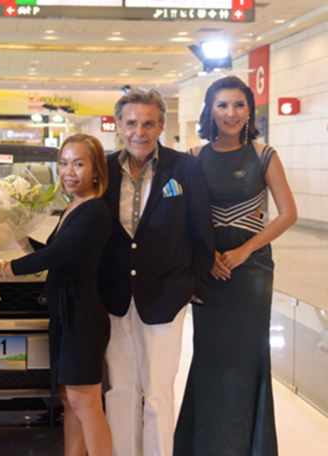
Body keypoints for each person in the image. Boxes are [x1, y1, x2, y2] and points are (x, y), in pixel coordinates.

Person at [174, 76, 297, 456]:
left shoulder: (264, 155)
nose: (231, 113)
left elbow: (288, 213)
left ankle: (248, 446)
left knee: (247, 357)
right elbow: (179, 212)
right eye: (223, 105)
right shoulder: (193, 157)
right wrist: (206, 254)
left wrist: (244, 251)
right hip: (209, 273)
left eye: (239, 105)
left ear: (250, 110)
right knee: (209, 355)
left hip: (251, 275)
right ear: (210, 109)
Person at [0, 134, 113, 456]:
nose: (69, 172)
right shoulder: (74, 206)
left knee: (86, 401)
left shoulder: (94, 211)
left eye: (79, 164)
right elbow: (54, 252)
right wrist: (19, 237)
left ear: (96, 171)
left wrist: (3, 268)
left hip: (83, 317)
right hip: (66, 315)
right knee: (69, 398)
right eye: (64, 163)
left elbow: (57, 255)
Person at [99, 88, 215, 456]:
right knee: (119, 390)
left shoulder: (186, 168)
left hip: (167, 295)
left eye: (149, 123)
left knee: (159, 394)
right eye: (131, 123)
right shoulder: (102, 168)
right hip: (114, 295)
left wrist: (194, 284)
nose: (140, 132)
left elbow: (202, 229)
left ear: (162, 125)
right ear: (118, 125)